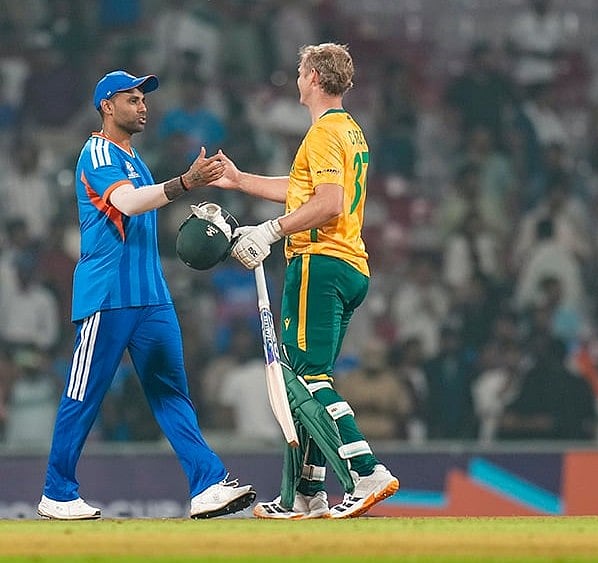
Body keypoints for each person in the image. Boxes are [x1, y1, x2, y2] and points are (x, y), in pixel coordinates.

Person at [38, 70, 256, 520]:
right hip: (108, 294)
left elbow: (145, 204)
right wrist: (185, 183)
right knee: (84, 395)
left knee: (172, 392)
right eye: (132, 99)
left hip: (152, 296)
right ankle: (56, 493)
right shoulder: (96, 152)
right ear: (106, 106)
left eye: (144, 99)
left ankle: (207, 485)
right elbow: (127, 204)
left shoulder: (136, 159)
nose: (143, 106)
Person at [214, 43, 399, 519]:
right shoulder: (349, 131)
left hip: (318, 263)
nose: (297, 80)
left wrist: (270, 231)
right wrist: (239, 180)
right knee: (311, 378)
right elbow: (303, 191)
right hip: (351, 265)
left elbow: (328, 203)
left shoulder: (321, 135)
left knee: (303, 379)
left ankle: (365, 471)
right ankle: (304, 492)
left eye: (300, 72)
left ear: (314, 77)